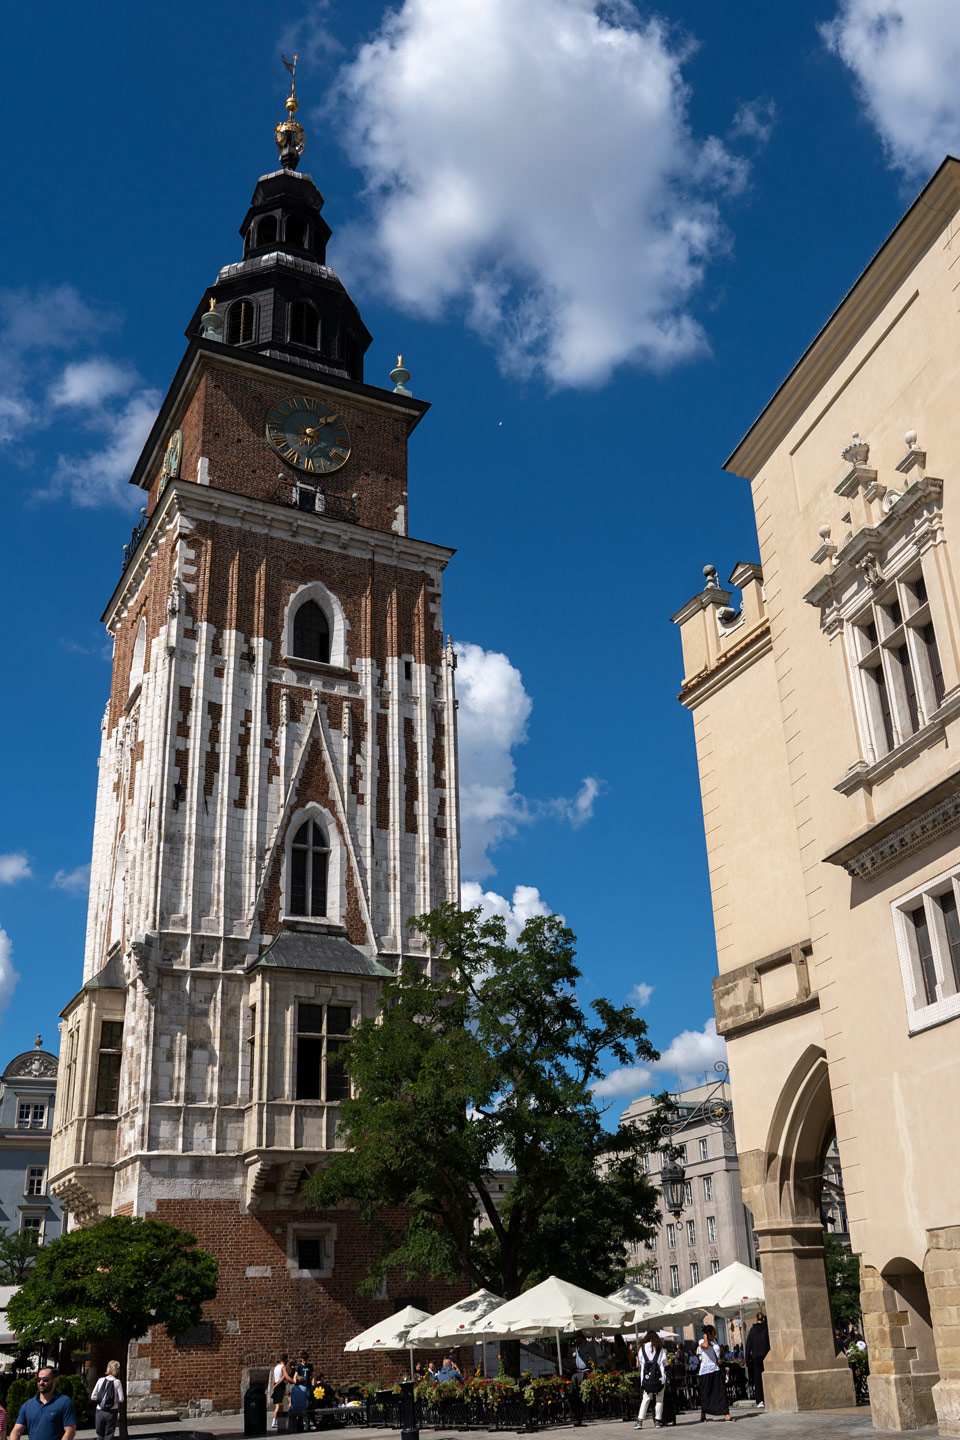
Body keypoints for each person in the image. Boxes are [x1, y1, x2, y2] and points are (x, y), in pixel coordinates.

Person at [9, 1368, 77, 1440]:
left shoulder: (64, 1402)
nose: (41, 1382)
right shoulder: (28, 1405)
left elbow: (70, 1431)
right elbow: (16, 1431)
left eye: (45, 1379)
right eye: (38, 1379)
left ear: (55, 1380)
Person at [697, 1327, 734, 1423]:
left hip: (715, 1369)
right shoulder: (701, 1341)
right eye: (713, 1333)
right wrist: (705, 1337)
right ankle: (703, 1414)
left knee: (721, 1392)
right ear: (708, 1334)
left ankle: (726, 1414)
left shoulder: (715, 1341)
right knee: (705, 1393)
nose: (715, 1335)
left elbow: (721, 1352)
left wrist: (721, 1358)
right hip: (705, 1371)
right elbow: (705, 1346)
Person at [634, 1330, 667, 1429]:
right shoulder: (660, 1349)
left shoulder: (642, 1349)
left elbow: (641, 1363)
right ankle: (657, 1421)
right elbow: (664, 1362)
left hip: (647, 1378)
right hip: (659, 1378)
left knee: (646, 1399)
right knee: (659, 1399)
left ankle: (640, 1421)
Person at [91, 1361, 124, 1440]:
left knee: (100, 1434)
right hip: (112, 1411)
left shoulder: (100, 1380)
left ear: (108, 1368)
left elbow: (93, 1396)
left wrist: (101, 1400)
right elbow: (121, 1399)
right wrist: (113, 1400)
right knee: (109, 1435)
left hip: (100, 1410)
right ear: (116, 1371)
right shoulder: (117, 1382)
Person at [744, 1313, 770, 1410]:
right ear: (763, 1319)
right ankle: (769, 1397)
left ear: (756, 1319)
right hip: (767, 1356)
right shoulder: (767, 1329)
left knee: (758, 1380)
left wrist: (746, 1360)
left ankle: (760, 1400)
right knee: (768, 1377)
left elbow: (748, 1346)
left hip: (756, 1358)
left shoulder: (752, 1331)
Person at [271, 1354, 294, 1430]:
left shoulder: (276, 1367)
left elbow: (274, 1377)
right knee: (278, 1406)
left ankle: (278, 1421)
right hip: (280, 1387)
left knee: (280, 1405)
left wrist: (274, 1385)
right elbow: (286, 1377)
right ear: (286, 1360)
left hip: (276, 1385)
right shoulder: (283, 1367)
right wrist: (294, 1381)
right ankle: (274, 1422)